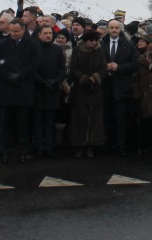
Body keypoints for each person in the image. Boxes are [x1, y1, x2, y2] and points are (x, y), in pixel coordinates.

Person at [0, 18, 37, 163]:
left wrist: (20, 75)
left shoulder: (31, 45)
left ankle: (23, 151)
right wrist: (7, 75)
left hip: (23, 89)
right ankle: (4, 151)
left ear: (23, 30)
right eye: (11, 31)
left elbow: (33, 65)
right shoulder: (3, 44)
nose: (13, 33)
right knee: (5, 123)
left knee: (23, 124)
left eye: (16, 31)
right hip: (7, 89)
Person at [101, 19, 138, 156]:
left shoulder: (128, 45)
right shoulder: (102, 44)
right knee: (107, 118)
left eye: (116, 28)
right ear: (108, 29)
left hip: (122, 87)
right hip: (106, 87)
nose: (114, 30)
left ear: (120, 29)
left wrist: (119, 67)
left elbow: (135, 64)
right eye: (111, 28)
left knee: (121, 119)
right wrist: (104, 67)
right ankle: (107, 144)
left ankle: (120, 145)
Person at [67, 29, 106, 157]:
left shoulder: (100, 51)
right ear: (85, 40)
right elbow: (73, 68)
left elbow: (103, 68)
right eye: (91, 40)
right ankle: (80, 144)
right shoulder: (78, 50)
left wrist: (95, 77)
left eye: (95, 40)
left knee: (95, 118)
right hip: (81, 89)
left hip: (95, 89)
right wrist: (83, 78)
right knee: (79, 117)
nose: (93, 43)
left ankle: (91, 145)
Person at [33, 25, 67, 157]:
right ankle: (39, 146)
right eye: (45, 33)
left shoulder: (57, 50)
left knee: (50, 120)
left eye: (50, 33)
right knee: (38, 120)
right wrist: (41, 81)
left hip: (53, 90)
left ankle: (49, 145)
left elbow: (62, 69)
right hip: (39, 90)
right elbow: (32, 68)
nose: (48, 35)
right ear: (39, 35)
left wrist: (56, 81)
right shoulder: (34, 49)